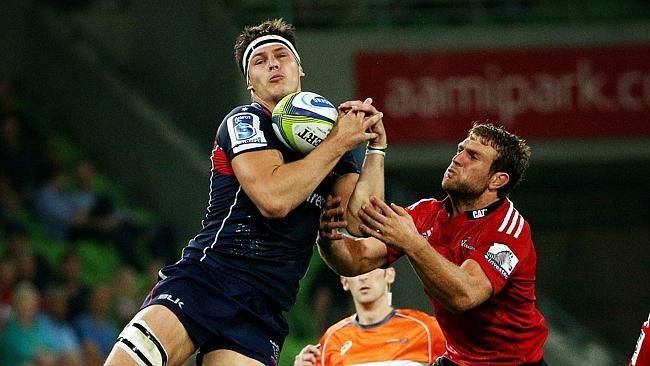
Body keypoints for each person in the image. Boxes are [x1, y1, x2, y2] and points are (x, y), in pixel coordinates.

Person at [104, 18, 386, 366]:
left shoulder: (333, 149)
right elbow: (274, 200)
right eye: (259, 60)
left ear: (300, 70)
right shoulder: (246, 121)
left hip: (263, 309)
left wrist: (375, 150)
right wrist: (339, 141)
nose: (271, 63)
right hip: (208, 279)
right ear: (250, 83)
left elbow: (362, 222)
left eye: (281, 55)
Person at [318, 123, 548, 365]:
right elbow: (356, 259)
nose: (457, 159)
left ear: (497, 180)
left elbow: (465, 296)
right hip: (457, 360)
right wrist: (327, 239)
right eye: (460, 150)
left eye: (473, 156)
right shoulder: (426, 213)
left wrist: (412, 243)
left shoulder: (509, 229)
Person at [293, 267, 446, 366]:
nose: (363, 277)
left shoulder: (426, 330)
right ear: (344, 281)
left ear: (390, 274)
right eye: (355, 271)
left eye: (371, 268)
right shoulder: (332, 340)